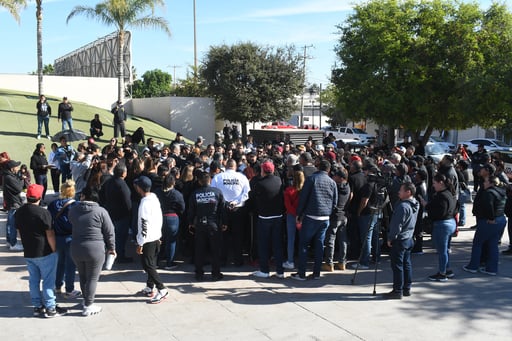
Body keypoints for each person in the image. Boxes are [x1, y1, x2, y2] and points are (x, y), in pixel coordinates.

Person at [15, 183, 68, 318]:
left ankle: (37, 306)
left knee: (34, 280)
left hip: (29, 252)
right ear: (39, 196)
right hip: (44, 251)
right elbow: (50, 234)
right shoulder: (44, 213)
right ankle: (51, 308)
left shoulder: (19, 212)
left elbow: (19, 232)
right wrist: (54, 249)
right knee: (48, 281)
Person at [69, 186, 115, 316]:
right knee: (92, 278)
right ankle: (88, 305)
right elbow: (110, 232)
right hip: (95, 249)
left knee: (83, 276)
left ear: (83, 196)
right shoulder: (101, 211)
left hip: (76, 247)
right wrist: (112, 248)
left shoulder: (73, 210)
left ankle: (86, 300)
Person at [293, 160, 337, 280]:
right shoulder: (332, 182)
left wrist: (299, 213)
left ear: (318, 167)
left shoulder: (312, 179)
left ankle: (301, 273)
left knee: (303, 244)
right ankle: (316, 273)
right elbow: (335, 202)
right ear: (328, 170)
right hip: (325, 217)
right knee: (319, 245)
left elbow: (303, 198)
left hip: (311, 216)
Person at [134, 176, 168, 304]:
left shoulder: (144, 203)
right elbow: (159, 218)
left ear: (139, 188)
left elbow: (143, 223)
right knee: (151, 263)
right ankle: (149, 287)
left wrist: (140, 242)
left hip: (148, 239)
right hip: (155, 236)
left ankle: (162, 289)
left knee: (148, 266)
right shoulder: (154, 199)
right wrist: (159, 235)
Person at [463, 176, 507, 275]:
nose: (484, 183)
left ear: (491, 183)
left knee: (478, 243)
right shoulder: (502, 191)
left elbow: (489, 206)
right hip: (501, 219)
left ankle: (473, 266)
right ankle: (491, 269)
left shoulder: (489, 193)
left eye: (486, 181)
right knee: (493, 244)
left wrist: (491, 218)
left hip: (489, 221)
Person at [210, 158, 251, 266]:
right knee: (238, 235)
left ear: (226, 166)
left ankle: (223, 259)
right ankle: (238, 260)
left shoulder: (217, 177)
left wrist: (225, 202)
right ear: (235, 166)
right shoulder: (242, 177)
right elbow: (247, 193)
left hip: (222, 209)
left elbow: (213, 193)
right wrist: (235, 202)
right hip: (238, 209)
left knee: (223, 235)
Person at [187, 171, 226, 281]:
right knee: (215, 250)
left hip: (200, 224)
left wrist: (190, 223)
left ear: (199, 182)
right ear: (210, 181)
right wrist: (225, 223)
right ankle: (215, 273)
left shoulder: (195, 193)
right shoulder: (217, 192)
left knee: (200, 250)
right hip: (214, 224)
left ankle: (199, 274)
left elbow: (191, 211)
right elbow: (222, 210)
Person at [383, 182, 419, 299]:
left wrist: (390, 238)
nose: (399, 192)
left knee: (397, 266)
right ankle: (406, 288)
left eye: (401, 190)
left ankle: (397, 290)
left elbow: (396, 225)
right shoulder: (415, 204)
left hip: (401, 239)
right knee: (406, 264)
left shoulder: (403, 206)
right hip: (409, 237)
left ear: (408, 192)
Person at [250, 160, 285, 279]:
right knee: (277, 245)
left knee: (263, 244)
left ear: (262, 170)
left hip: (264, 218)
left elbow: (252, 196)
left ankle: (264, 270)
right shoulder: (278, 180)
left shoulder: (259, 183)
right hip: (278, 217)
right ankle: (280, 271)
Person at [420, 173, 457, 282]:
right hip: (451, 222)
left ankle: (442, 273)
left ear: (441, 183)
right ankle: (447, 269)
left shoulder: (441, 196)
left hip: (442, 225)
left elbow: (439, 212)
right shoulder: (450, 193)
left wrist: (427, 206)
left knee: (442, 251)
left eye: (435, 183)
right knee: (445, 250)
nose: (433, 185)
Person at [47, 180, 80, 298]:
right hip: (71, 237)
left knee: (59, 264)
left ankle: (57, 286)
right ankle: (69, 289)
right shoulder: (76, 205)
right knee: (70, 265)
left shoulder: (53, 204)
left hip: (57, 237)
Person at [101, 163, 133, 263]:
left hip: (110, 212)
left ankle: (112, 252)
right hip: (121, 214)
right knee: (120, 236)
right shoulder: (122, 185)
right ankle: (120, 256)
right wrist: (130, 213)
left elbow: (101, 195)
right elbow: (127, 201)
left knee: (112, 235)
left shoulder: (109, 182)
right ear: (123, 173)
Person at [322, 167, 351, 271]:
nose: (333, 177)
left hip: (334, 216)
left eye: (335, 176)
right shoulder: (348, 186)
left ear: (340, 178)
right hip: (343, 215)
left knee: (330, 240)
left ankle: (329, 263)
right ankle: (342, 262)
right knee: (343, 240)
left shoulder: (335, 187)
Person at [155, 173, 185, 270]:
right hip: (172, 218)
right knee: (171, 242)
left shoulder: (157, 192)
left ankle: (155, 261)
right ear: (173, 183)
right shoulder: (177, 194)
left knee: (159, 240)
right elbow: (182, 208)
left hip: (159, 217)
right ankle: (169, 262)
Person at [283, 169, 305, 270]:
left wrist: (295, 214)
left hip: (292, 216)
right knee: (303, 239)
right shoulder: (305, 190)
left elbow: (288, 206)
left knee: (291, 239)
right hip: (303, 217)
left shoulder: (289, 190)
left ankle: (290, 261)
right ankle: (302, 261)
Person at [3, 159, 24, 251]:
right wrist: (21, 179)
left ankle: (9, 241)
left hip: (11, 201)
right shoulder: (9, 177)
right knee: (13, 224)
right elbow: (19, 188)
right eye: (16, 166)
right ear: (12, 168)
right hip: (14, 203)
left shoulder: (8, 176)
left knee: (9, 223)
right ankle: (13, 243)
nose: (18, 168)